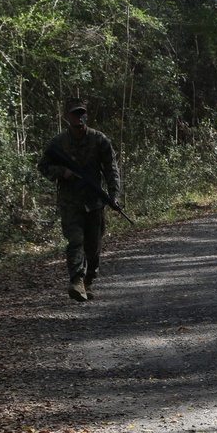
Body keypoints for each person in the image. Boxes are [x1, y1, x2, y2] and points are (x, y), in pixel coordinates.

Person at [37, 97, 123, 302]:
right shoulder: (59, 143)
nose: (79, 117)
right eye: (75, 113)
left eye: (82, 113)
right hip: (70, 202)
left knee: (93, 245)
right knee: (76, 241)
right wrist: (62, 172)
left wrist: (114, 195)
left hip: (94, 202)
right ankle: (77, 280)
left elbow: (111, 169)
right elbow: (43, 166)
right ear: (68, 117)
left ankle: (89, 281)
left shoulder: (99, 139)